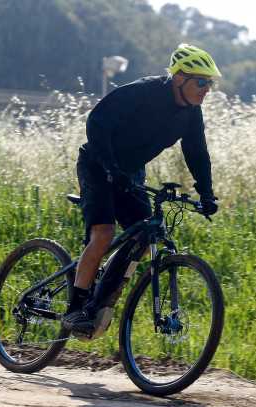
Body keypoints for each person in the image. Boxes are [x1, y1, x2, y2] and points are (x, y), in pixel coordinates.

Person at [62, 43, 221, 335]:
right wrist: (110, 167)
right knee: (104, 233)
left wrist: (207, 193)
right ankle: (76, 309)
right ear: (179, 78)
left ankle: (99, 304)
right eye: (201, 81)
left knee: (143, 238)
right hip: (98, 162)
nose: (206, 89)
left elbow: (197, 153)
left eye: (209, 83)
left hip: (129, 173)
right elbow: (97, 121)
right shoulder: (145, 92)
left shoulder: (191, 114)